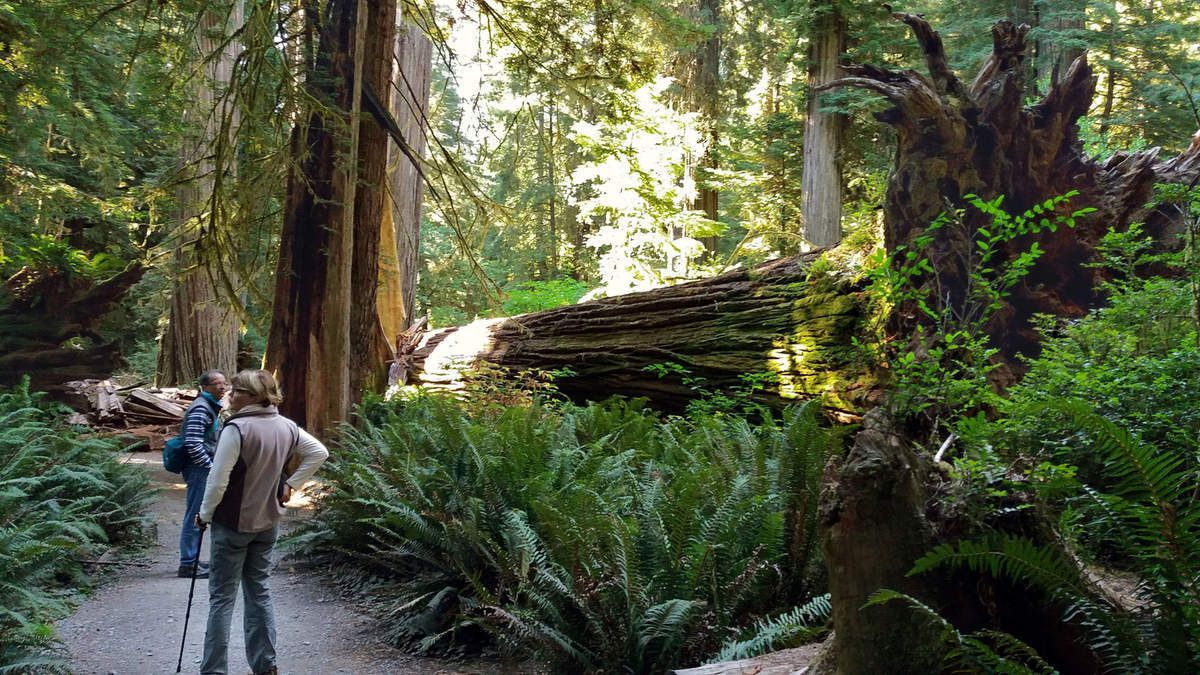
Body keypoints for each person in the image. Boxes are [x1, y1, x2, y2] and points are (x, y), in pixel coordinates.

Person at [196, 369, 328, 675]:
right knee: (259, 592)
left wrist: (203, 515)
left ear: (253, 395)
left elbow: (217, 481)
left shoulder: (236, 429)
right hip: (268, 523)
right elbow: (319, 453)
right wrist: (292, 484)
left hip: (232, 524)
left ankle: (214, 670)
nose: (231, 393)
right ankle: (266, 666)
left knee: (222, 598)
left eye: (238, 390)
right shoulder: (287, 426)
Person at [179, 370, 227, 579]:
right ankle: (188, 563)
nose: (222, 387)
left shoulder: (210, 407)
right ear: (205, 387)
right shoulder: (201, 408)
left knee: (200, 513)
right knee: (196, 515)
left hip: (203, 467)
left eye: (224, 384)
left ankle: (194, 560)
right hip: (199, 469)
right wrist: (209, 467)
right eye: (216, 384)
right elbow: (192, 442)